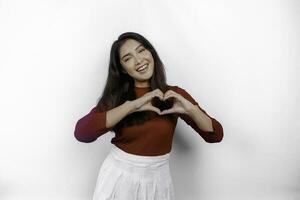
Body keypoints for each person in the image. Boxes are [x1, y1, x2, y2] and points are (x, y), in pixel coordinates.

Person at [74, 32, 224, 200]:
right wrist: (131, 106)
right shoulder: (117, 98)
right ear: (123, 69)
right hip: (119, 177)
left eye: (141, 50)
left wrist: (192, 110)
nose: (139, 60)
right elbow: (81, 133)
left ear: (151, 53)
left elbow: (216, 135)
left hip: (158, 180)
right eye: (128, 58)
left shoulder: (174, 95)